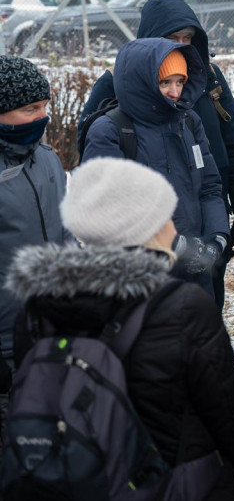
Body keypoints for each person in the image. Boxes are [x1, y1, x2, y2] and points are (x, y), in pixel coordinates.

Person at [8, 158, 234, 499]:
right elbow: (227, 417)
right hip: (175, 481)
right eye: (166, 214)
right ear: (148, 225)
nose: (174, 227)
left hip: (77, 479)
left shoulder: (38, 309)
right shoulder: (183, 307)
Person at [79, 0, 234, 310]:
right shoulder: (117, 87)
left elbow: (233, 147)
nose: (175, 91)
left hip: (203, 218)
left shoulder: (207, 79)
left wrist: (224, 228)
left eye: (189, 39)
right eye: (173, 38)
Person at [0, 56, 75, 434]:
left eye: (45, 107)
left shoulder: (46, 161)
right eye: (29, 109)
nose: (41, 118)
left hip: (53, 330)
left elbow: (66, 234)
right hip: (6, 341)